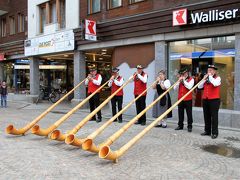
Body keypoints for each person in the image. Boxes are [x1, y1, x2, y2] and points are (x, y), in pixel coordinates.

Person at [198, 65, 221, 139]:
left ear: (214, 71)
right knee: (206, 116)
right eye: (208, 70)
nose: (209, 72)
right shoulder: (206, 78)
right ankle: (207, 131)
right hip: (205, 99)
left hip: (214, 100)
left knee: (214, 117)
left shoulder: (217, 78)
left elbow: (215, 84)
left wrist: (210, 76)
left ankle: (214, 132)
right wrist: (203, 79)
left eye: (211, 70)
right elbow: (199, 86)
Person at [174, 67, 194, 132]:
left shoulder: (191, 79)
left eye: (184, 73)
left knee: (189, 113)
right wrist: (178, 82)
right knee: (180, 113)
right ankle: (180, 125)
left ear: (187, 73)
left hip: (188, 99)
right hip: (180, 99)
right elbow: (175, 89)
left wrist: (183, 81)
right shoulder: (180, 79)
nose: (183, 75)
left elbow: (189, 87)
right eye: (182, 74)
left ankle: (190, 126)